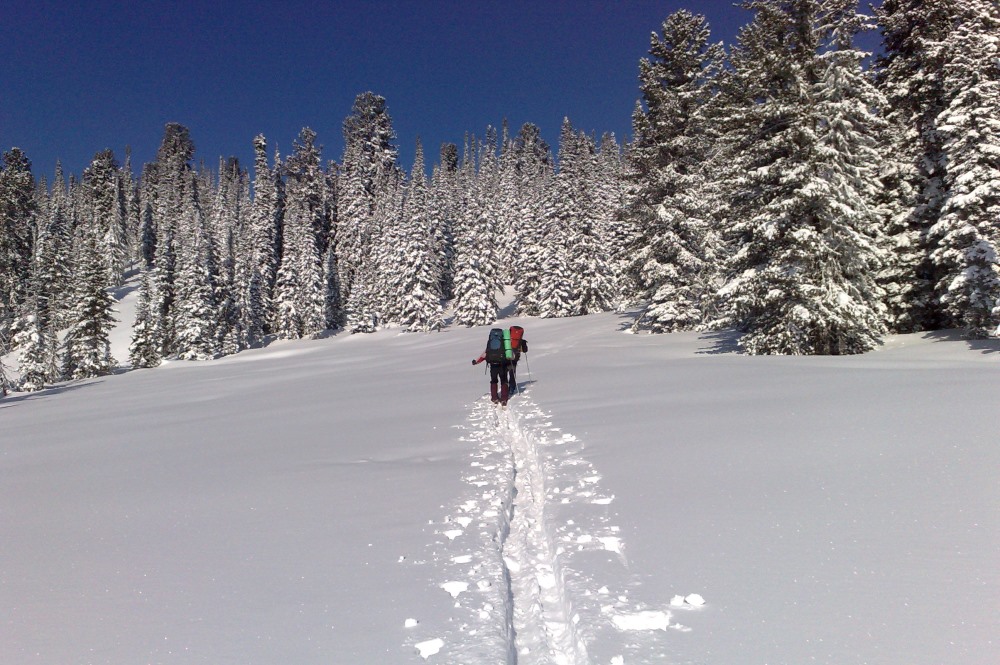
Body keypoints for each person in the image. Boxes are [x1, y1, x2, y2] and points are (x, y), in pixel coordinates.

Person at [472, 332, 511, 405]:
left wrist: (476, 362)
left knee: (494, 381)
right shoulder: (504, 345)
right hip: (502, 365)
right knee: (504, 381)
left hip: (493, 365)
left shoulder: (490, 346)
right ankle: (504, 398)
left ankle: (494, 398)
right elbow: (510, 355)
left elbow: (483, 355)